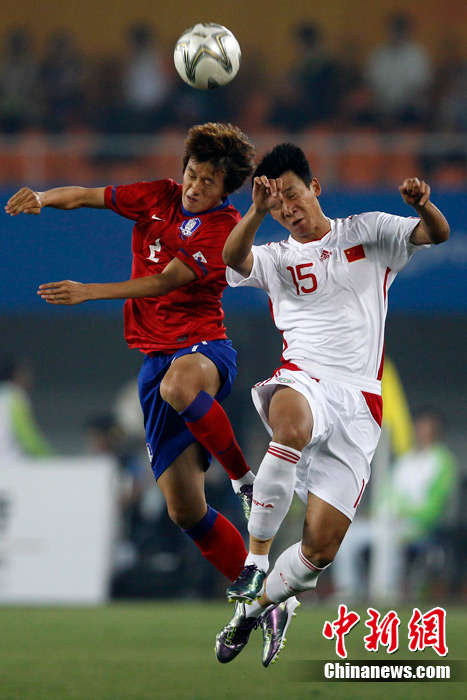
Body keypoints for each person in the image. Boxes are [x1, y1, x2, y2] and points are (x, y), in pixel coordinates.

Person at [214, 143, 450, 667]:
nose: (287, 209)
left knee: (319, 552)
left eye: (292, 196)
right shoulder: (277, 257)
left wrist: (423, 206)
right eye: (277, 204)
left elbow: (436, 234)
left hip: (359, 403)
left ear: (315, 188)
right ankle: (255, 562)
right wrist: (255, 212)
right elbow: (232, 258)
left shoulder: (368, 231)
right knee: (289, 426)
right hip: (304, 378)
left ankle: (257, 609)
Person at [5, 122, 257, 585]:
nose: (195, 186)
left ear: (225, 189)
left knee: (178, 385)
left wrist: (89, 291)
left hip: (203, 347)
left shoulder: (224, 227)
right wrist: (42, 196)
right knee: (185, 511)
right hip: (155, 359)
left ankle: (245, 480)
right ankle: (261, 593)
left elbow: (165, 281)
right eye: (193, 173)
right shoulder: (158, 194)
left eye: (209, 181)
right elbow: (85, 195)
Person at [332, 407, 457, 602]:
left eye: (429, 427)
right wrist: (374, 512)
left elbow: (435, 505)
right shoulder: (405, 460)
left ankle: (386, 594)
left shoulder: (443, 460)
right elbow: (386, 495)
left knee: (388, 538)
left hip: (417, 525)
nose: (424, 431)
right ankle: (348, 591)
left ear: (437, 430)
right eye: (421, 426)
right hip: (387, 520)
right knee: (346, 536)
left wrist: (406, 514)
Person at [0, 357, 52, 465]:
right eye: (25, 373)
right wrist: (50, 459)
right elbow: (27, 436)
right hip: (9, 462)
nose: (29, 378)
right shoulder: (14, 396)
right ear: (16, 375)